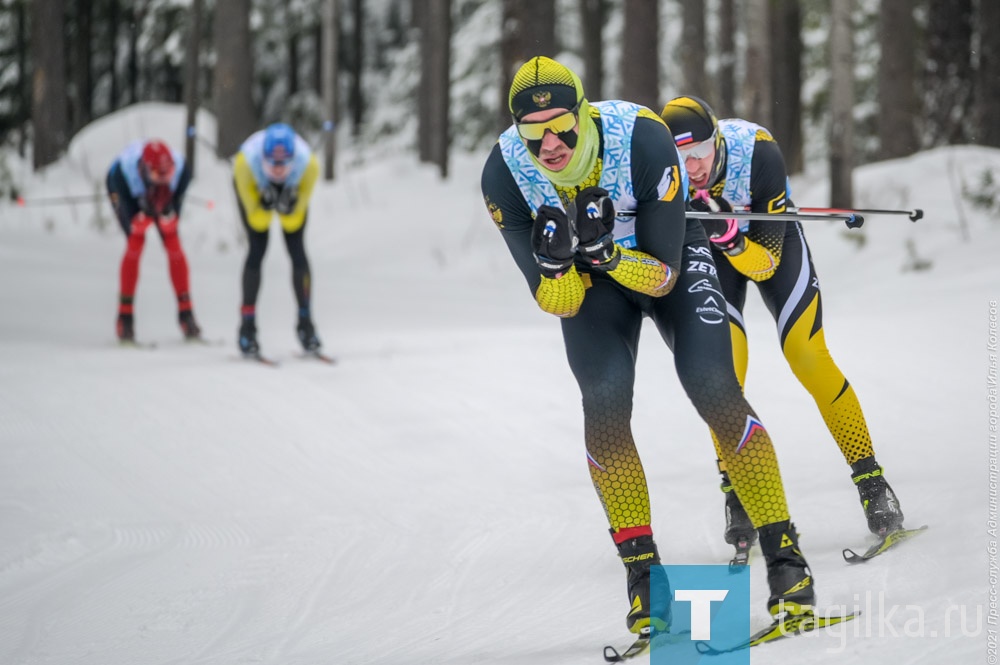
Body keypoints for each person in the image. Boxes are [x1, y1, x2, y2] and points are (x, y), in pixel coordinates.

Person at [481, 56, 815, 637]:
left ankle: (788, 565)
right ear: (517, 131)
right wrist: (554, 265)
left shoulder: (640, 137)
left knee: (713, 387)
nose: (551, 144)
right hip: (593, 283)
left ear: (584, 114)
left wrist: (609, 253)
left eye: (563, 126)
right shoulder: (505, 173)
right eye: (535, 133)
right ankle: (644, 581)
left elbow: (662, 276)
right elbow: (554, 302)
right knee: (603, 403)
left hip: (668, 261)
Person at [659, 96, 907, 555]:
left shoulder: (758, 152)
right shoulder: (657, 166)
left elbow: (765, 264)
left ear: (716, 140)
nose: (692, 167)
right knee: (722, 377)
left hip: (766, 242)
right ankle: (737, 495)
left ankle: (872, 482)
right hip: (711, 248)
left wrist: (733, 237)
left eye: (701, 153)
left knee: (807, 355)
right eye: (681, 158)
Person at [232, 122, 321, 357]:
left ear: (293, 158)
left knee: (298, 251)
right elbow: (257, 221)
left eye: (284, 165)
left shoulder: (308, 165)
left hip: (292, 187)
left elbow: (294, 220)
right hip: (254, 186)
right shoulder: (245, 164)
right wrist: (263, 203)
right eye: (273, 163)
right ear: (264, 157)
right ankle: (247, 326)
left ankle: (306, 324)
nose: (279, 170)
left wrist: (289, 205)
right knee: (257, 249)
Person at [106, 139, 201, 343]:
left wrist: (168, 216)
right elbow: (131, 221)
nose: (165, 179)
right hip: (127, 194)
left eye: (168, 174)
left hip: (158, 197)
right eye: (159, 175)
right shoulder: (123, 173)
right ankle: (125, 317)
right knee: (136, 240)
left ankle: (186, 314)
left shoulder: (181, 172)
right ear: (145, 170)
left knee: (172, 239)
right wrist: (142, 216)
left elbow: (174, 215)